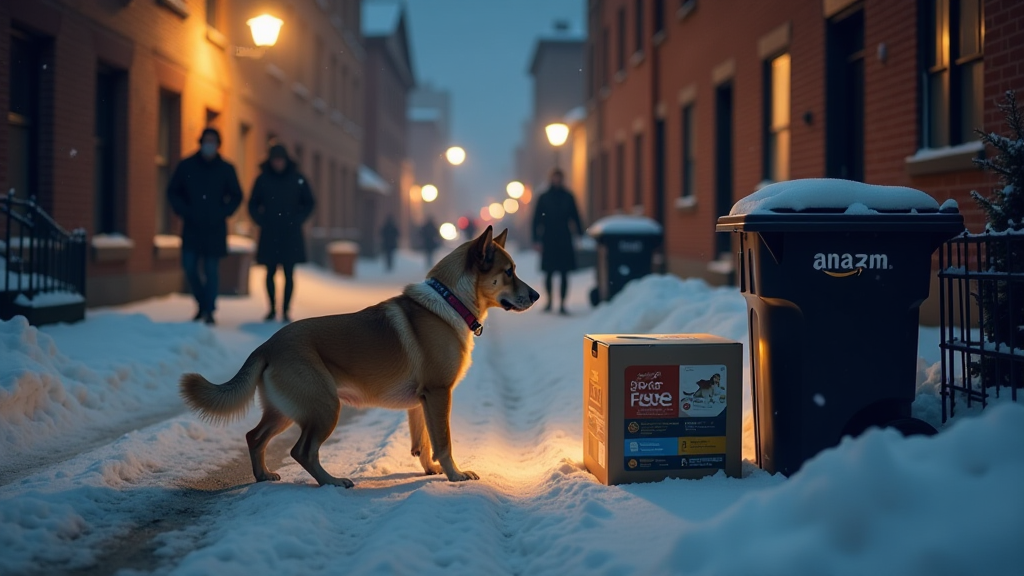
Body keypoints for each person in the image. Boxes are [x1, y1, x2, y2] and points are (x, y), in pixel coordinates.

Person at [167, 127, 243, 325]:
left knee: (211, 270)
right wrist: (185, 211)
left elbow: (236, 195)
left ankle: (209, 310)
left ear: (218, 144)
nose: (209, 145)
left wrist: (222, 212)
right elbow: (173, 192)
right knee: (189, 267)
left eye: (213, 141)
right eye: (206, 140)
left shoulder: (226, 169)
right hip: (192, 227)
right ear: (201, 142)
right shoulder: (187, 166)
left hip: (214, 228)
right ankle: (203, 303)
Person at [247, 144, 316, 323]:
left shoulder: (297, 179)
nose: (278, 163)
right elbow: (252, 204)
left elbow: (309, 203)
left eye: (280, 160)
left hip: (290, 233)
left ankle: (285, 310)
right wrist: (261, 220)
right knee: (269, 272)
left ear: (286, 160)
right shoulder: (263, 179)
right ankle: (271, 308)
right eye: (275, 160)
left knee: (288, 272)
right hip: (270, 232)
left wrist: (298, 219)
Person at [531, 168, 583, 314]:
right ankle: (549, 301)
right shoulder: (544, 197)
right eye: (555, 177)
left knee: (564, 272)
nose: (557, 180)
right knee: (548, 272)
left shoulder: (568, 196)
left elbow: (575, 216)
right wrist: (536, 239)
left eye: (559, 177)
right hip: (549, 238)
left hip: (564, 238)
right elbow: (536, 219)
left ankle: (562, 304)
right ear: (551, 178)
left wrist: (579, 233)